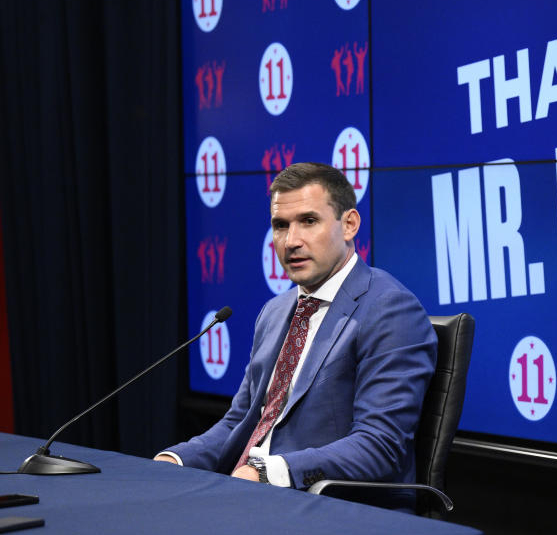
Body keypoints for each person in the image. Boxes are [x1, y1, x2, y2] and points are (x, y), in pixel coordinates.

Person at [155, 163, 437, 509]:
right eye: (280, 226)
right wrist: (176, 460)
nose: (291, 241)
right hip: (250, 497)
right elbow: (242, 420)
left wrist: (267, 472)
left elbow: (379, 445)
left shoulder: (389, 309)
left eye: (309, 221)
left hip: (331, 510)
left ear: (349, 224)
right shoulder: (275, 311)